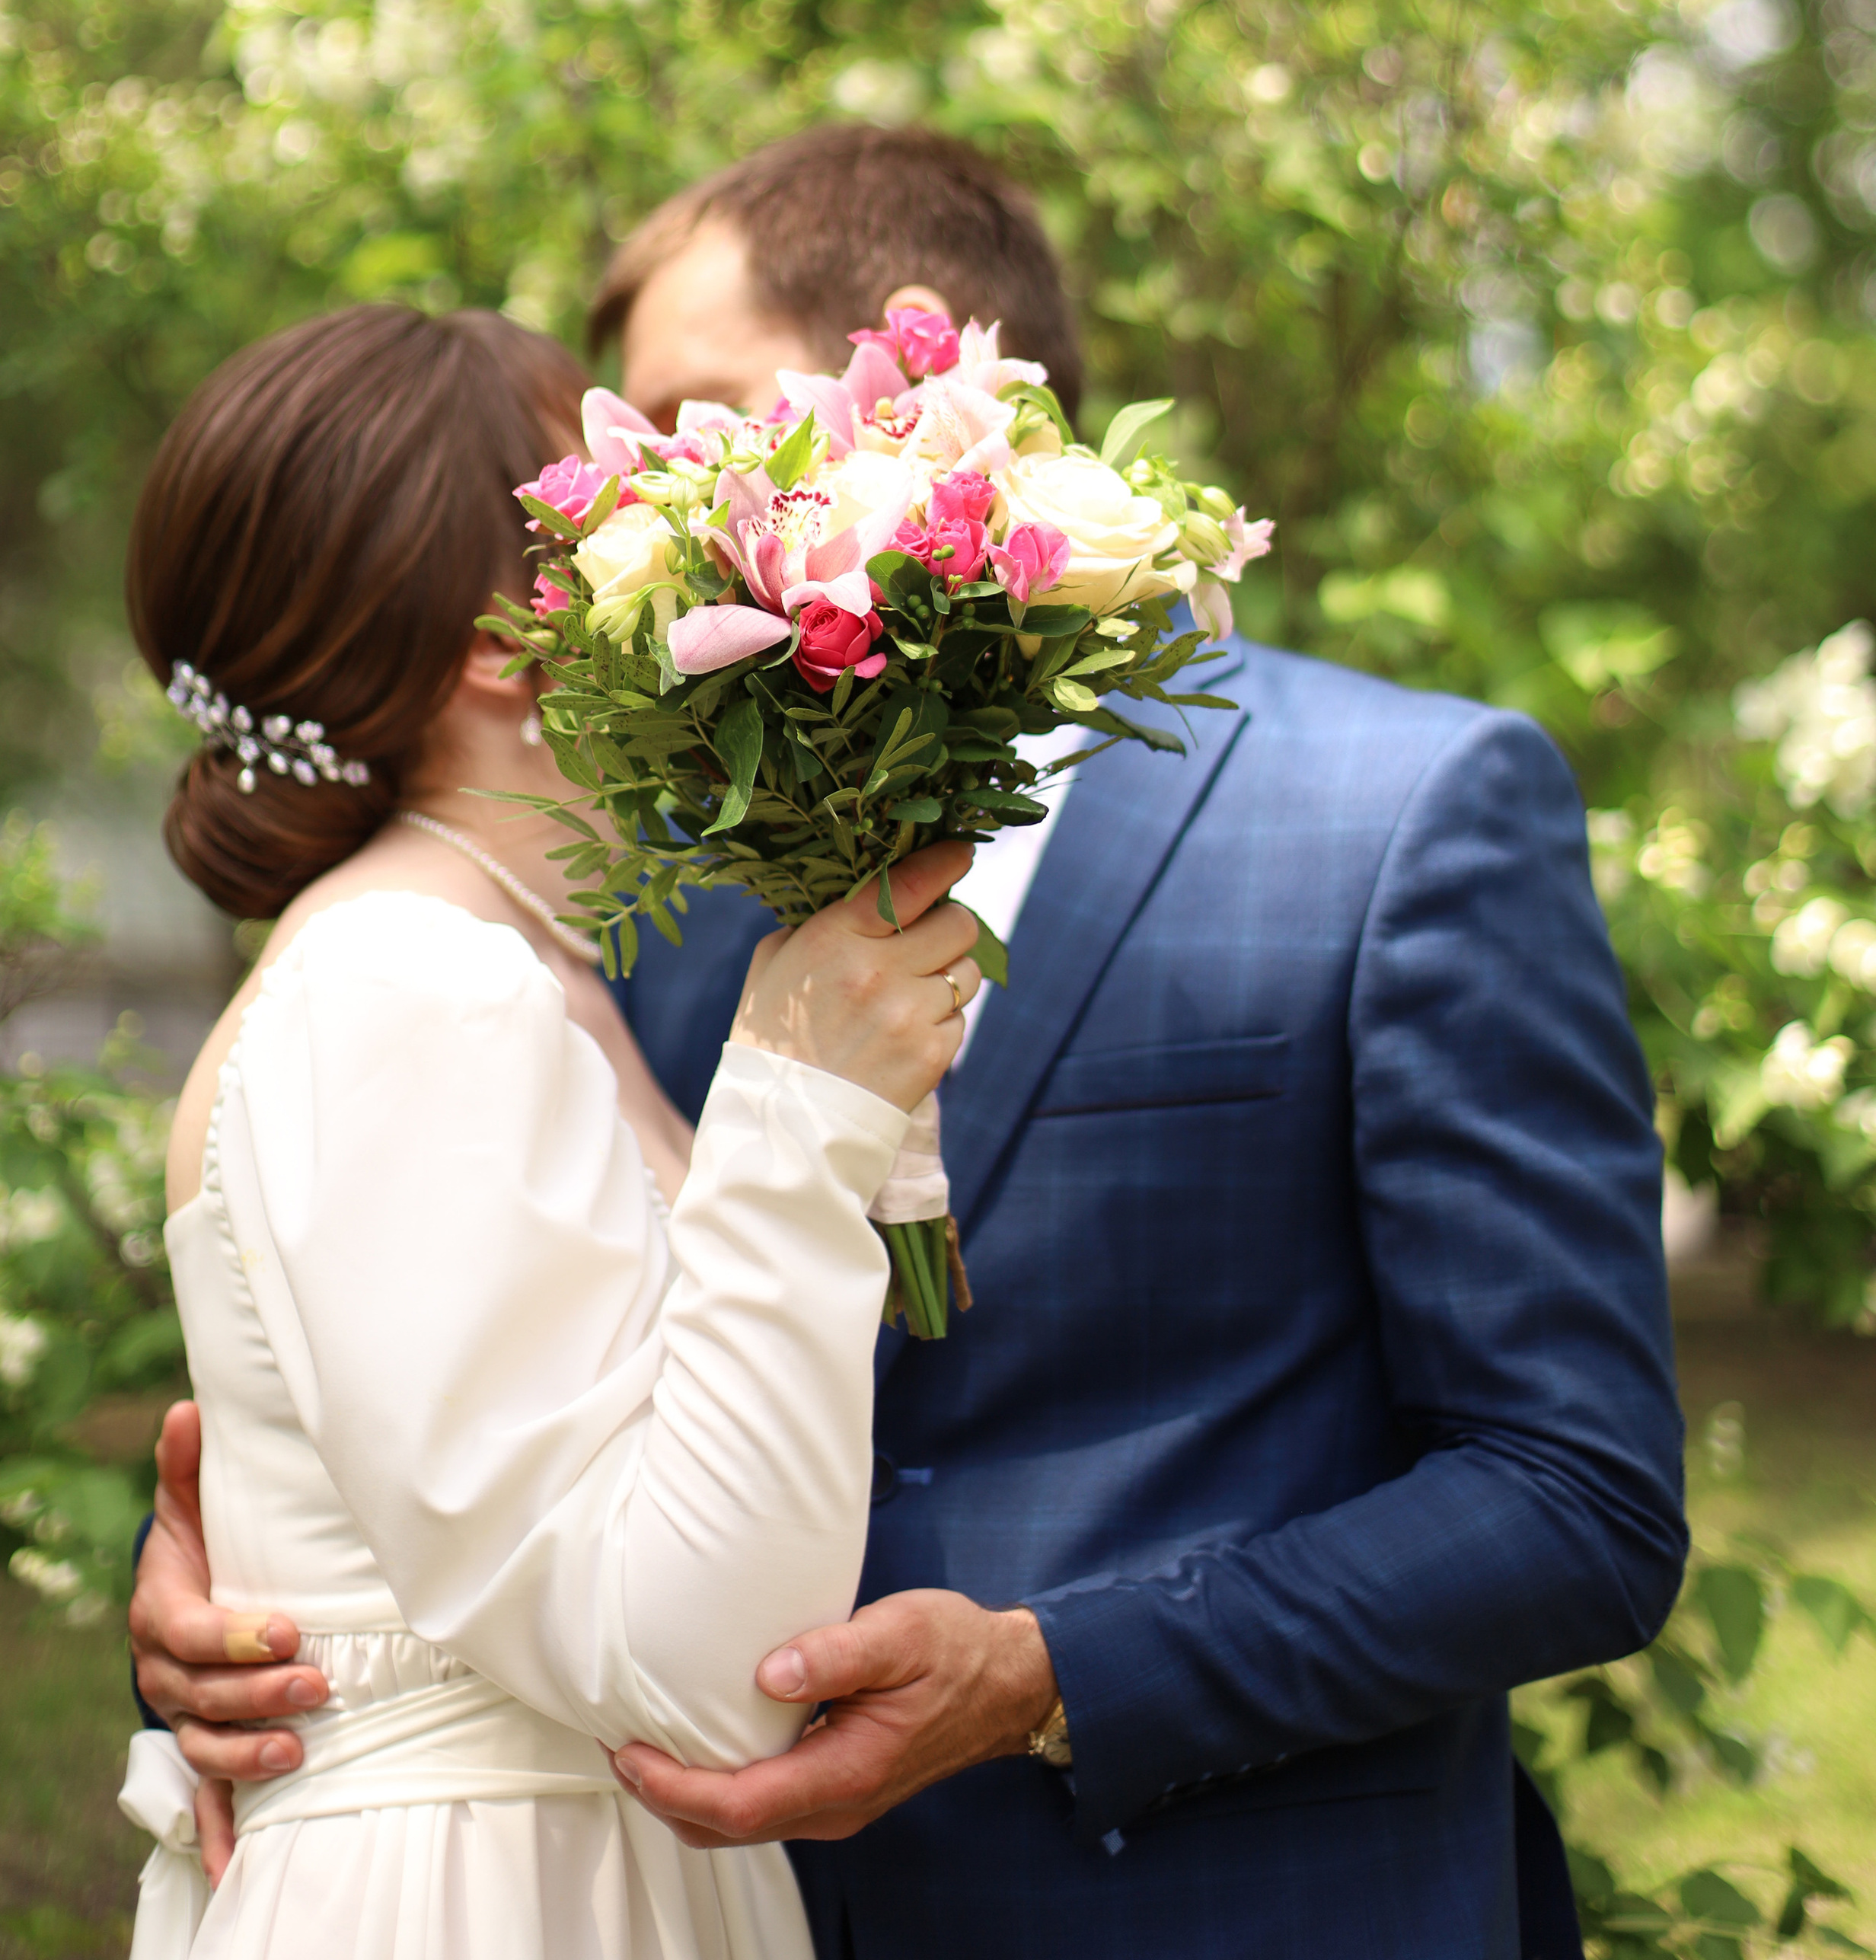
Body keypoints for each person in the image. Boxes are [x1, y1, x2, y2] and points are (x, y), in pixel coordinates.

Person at [132, 131, 1689, 1960]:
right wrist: (211, 1618)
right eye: (602, 466)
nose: (625, 513)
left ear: (924, 390)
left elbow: (1572, 1494)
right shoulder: (639, 886)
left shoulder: (1402, 815)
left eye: (692, 426)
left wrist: (1053, 1675)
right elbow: (459, 1377)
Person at [115, 298, 981, 1958]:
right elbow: (702, 1676)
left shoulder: (522, 964)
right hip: (485, 1895)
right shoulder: (407, 985)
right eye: (625, 514)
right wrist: (802, 1115)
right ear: (511, 640)